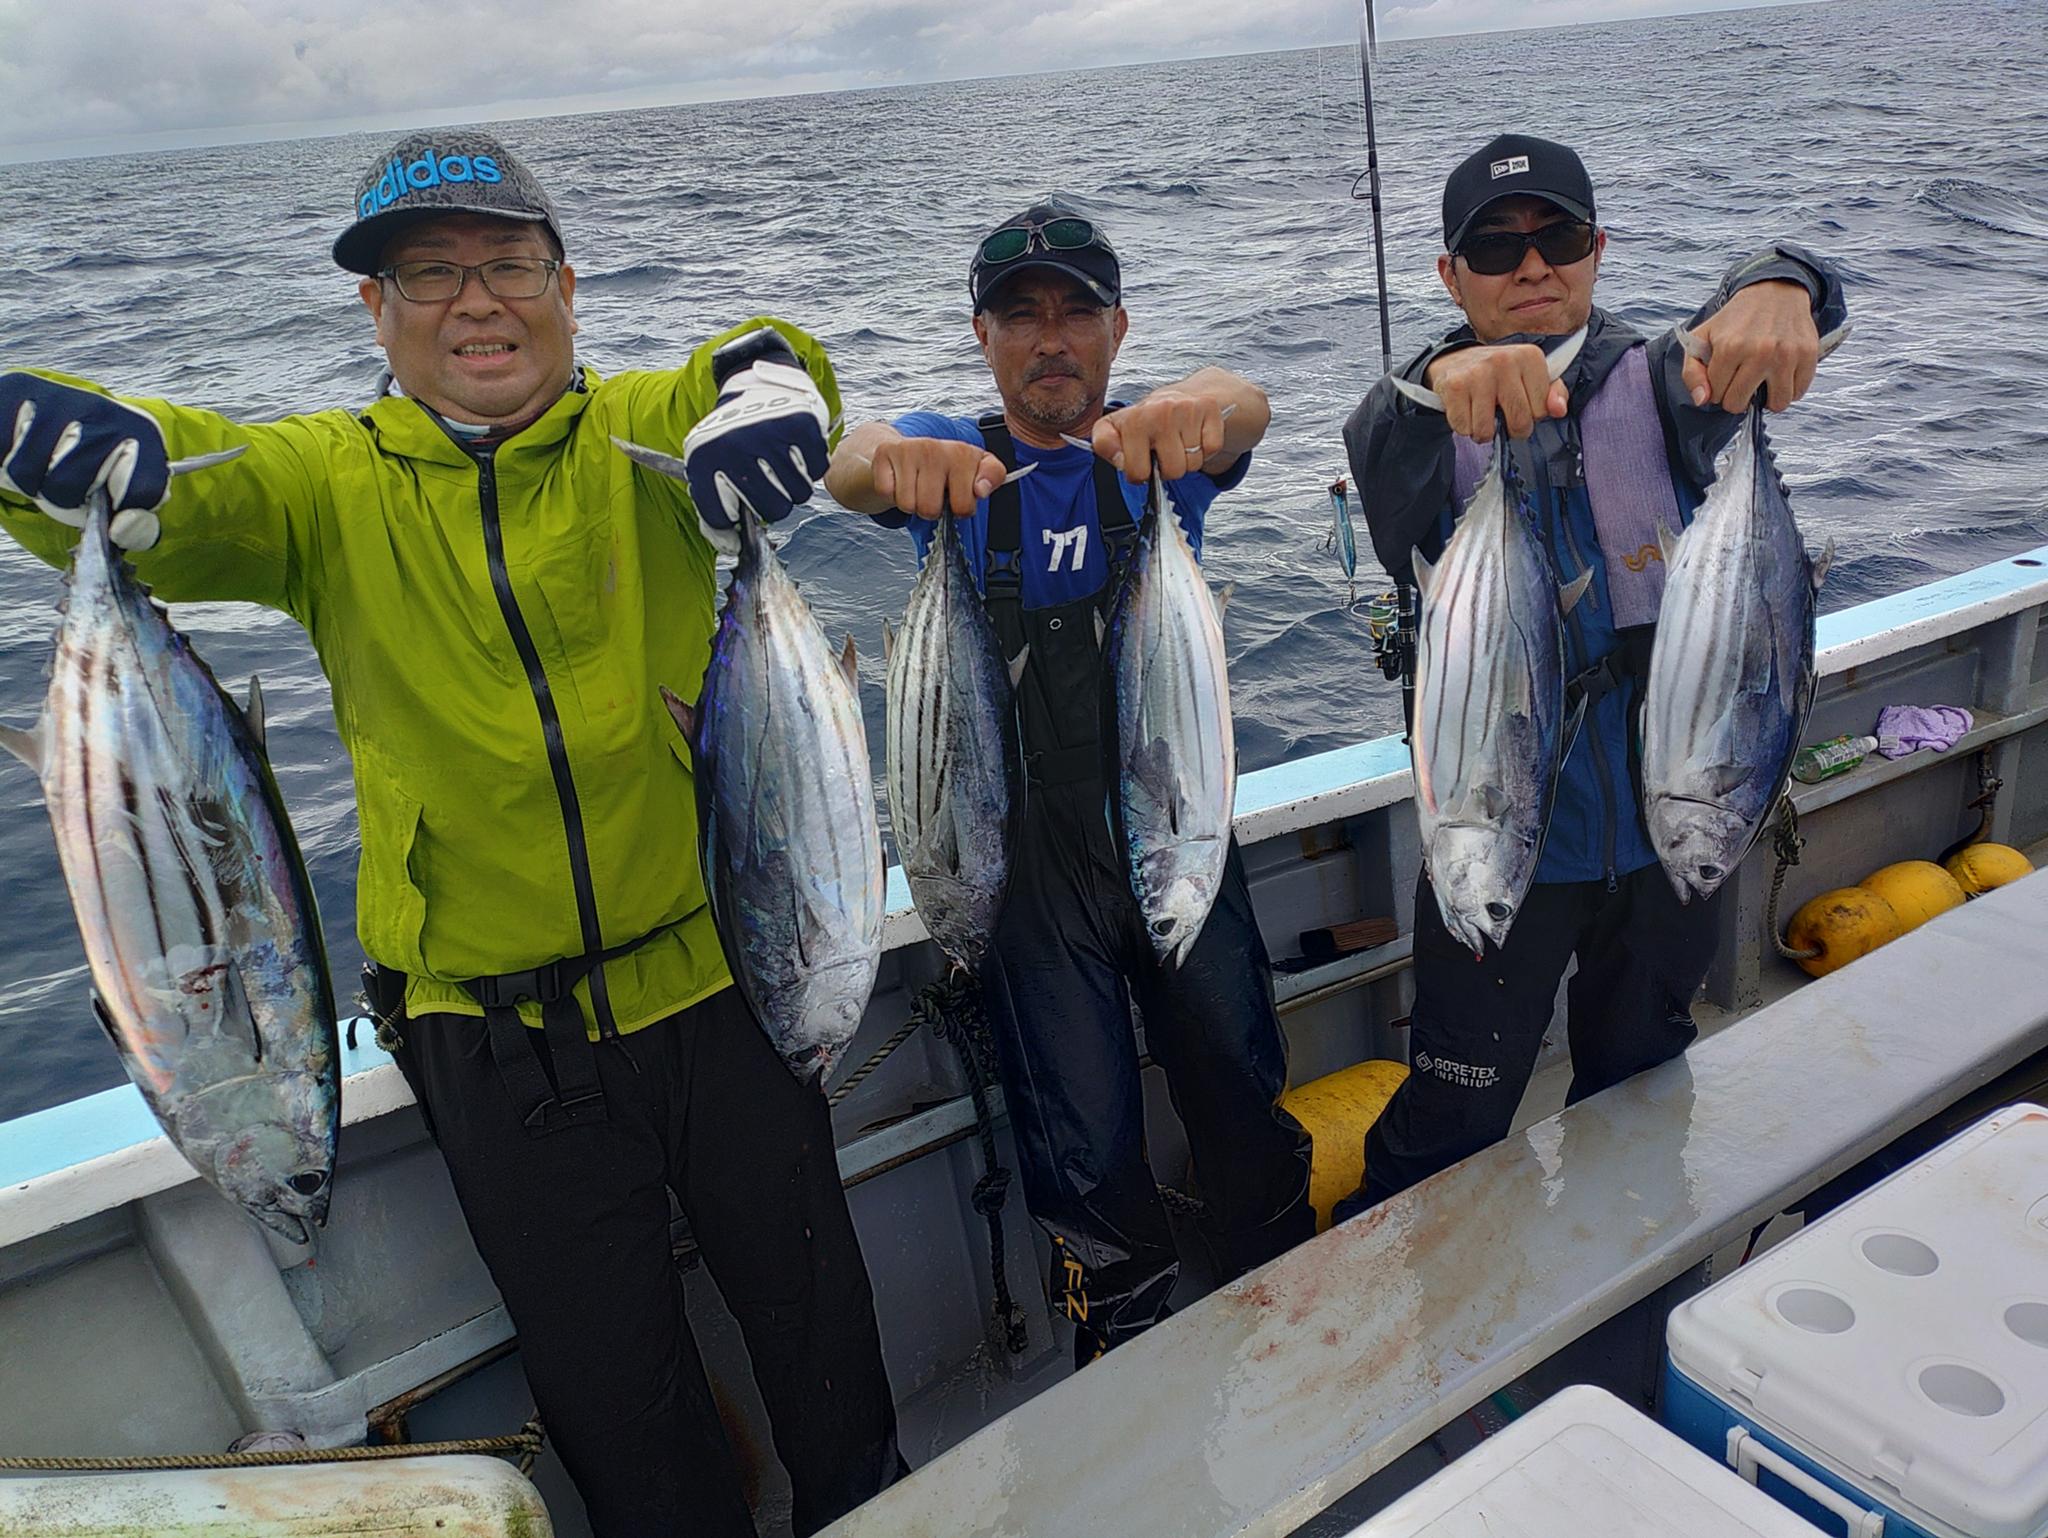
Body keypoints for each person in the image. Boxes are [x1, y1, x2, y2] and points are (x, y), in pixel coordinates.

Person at [0, 129, 899, 1537]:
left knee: (824, 1332)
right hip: (493, 1040)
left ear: (567, 287)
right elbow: (184, 476)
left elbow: (756, 362)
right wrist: (56, 453)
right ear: (376, 310)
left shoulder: (638, 440)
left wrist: (775, 384)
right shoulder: (323, 483)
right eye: (428, 274)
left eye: (509, 265)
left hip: (727, 980)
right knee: (619, 1409)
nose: (475, 301)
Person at [825, 198, 1314, 1365]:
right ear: (982, 338)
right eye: (1020, 316)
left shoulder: (1159, 449)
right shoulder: (955, 459)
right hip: (1024, 867)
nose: (1050, 339)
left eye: (1076, 312)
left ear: (1116, 328)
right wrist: (891, 459)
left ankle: (1289, 1291)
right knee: (1080, 1144)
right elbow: (850, 464)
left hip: (1173, 824)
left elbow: (1243, 401)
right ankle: (1128, 1339)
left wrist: (1203, 403)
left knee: (1240, 1082)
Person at [1337, 133, 1848, 1212]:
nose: (1531, 266)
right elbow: (1379, 451)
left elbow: (1784, 319)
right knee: (1453, 1119)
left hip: (1676, 831)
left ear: (1597, 250)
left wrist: (1784, 280)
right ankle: (1421, 1287)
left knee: (1642, 1091)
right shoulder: (1412, 422)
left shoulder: (1662, 383)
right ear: (1449, 277)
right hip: (1500, 836)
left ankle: (1627, 1266)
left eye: (1557, 237)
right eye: (1494, 247)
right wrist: (1433, 378)